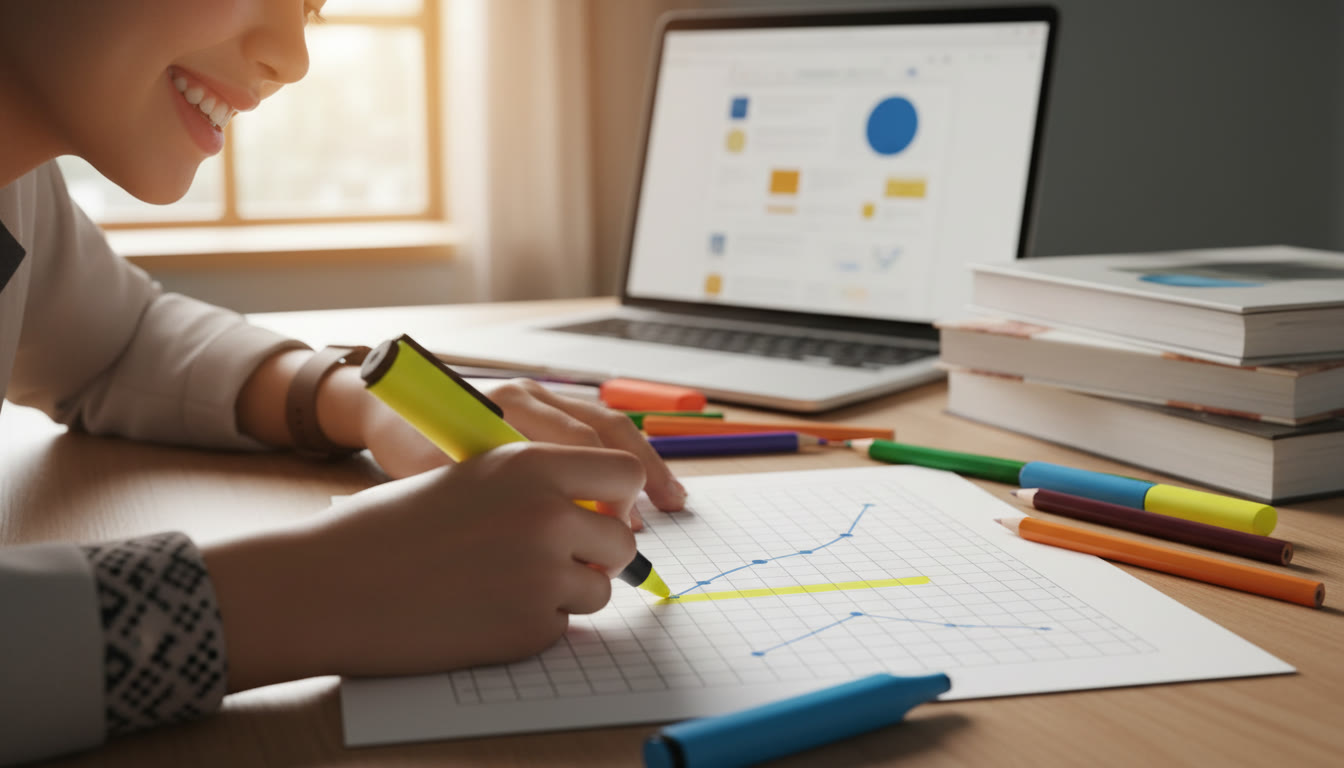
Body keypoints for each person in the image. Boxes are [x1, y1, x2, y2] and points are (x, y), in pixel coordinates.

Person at [0, 2, 687, 764]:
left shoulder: (18, 185)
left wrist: (360, 404)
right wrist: (311, 593)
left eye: (312, 4)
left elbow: (117, 343)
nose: (293, 57)